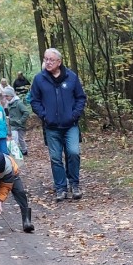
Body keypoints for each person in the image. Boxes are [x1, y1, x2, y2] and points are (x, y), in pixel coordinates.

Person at [29, 48, 86, 201]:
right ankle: (61, 188)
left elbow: (81, 98)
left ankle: (74, 184)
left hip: (70, 125)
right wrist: (44, 115)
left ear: (59, 62)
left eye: (51, 60)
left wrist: (74, 115)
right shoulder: (39, 79)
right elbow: (34, 100)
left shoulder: (71, 77)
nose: (48, 62)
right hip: (51, 126)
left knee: (73, 152)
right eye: (46, 59)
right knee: (55, 158)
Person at [1, 85, 29, 157]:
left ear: (11, 95)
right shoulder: (9, 104)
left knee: (21, 139)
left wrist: (21, 121)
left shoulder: (19, 103)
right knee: (14, 139)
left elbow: (26, 112)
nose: (6, 98)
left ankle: (24, 150)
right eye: (5, 96)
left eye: (7, 96)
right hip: (13, 125)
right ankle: (15, 154)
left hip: (21, 125)